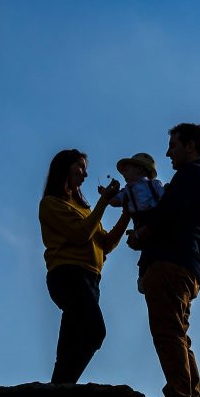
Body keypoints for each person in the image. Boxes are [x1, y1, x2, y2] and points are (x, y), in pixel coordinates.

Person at [128, 123, 200, 397]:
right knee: (178, 331)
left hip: (169, 262)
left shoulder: (190, 176)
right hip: (188, 265)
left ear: (190, 146)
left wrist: (141, 234)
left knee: (167, 330)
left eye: (174, 146)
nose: (168, 153)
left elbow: (167, 215)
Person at [38, 148, 130, 384]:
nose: (85, 174)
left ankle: (58, 387)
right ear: (64, 168)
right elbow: (80, 235)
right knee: (94, 331)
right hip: (68, 275)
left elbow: (105, 244)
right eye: (80, 166)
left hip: (91, 280)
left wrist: (127, 213)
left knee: (71, 342)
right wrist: (104, 201)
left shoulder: (84, 209)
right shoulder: (50, 204)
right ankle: (64, 386)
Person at [108, 152, 165, 293]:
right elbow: (115, 202)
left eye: (127, 170)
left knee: (156, 247)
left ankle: (152, 274)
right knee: (147, 250)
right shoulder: (126, 191)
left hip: (156, 219)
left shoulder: (154, 184)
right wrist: (109, 194)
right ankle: (143, 275)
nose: (124, 173)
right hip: (139, 221)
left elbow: (165, 201)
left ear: (139, 169)